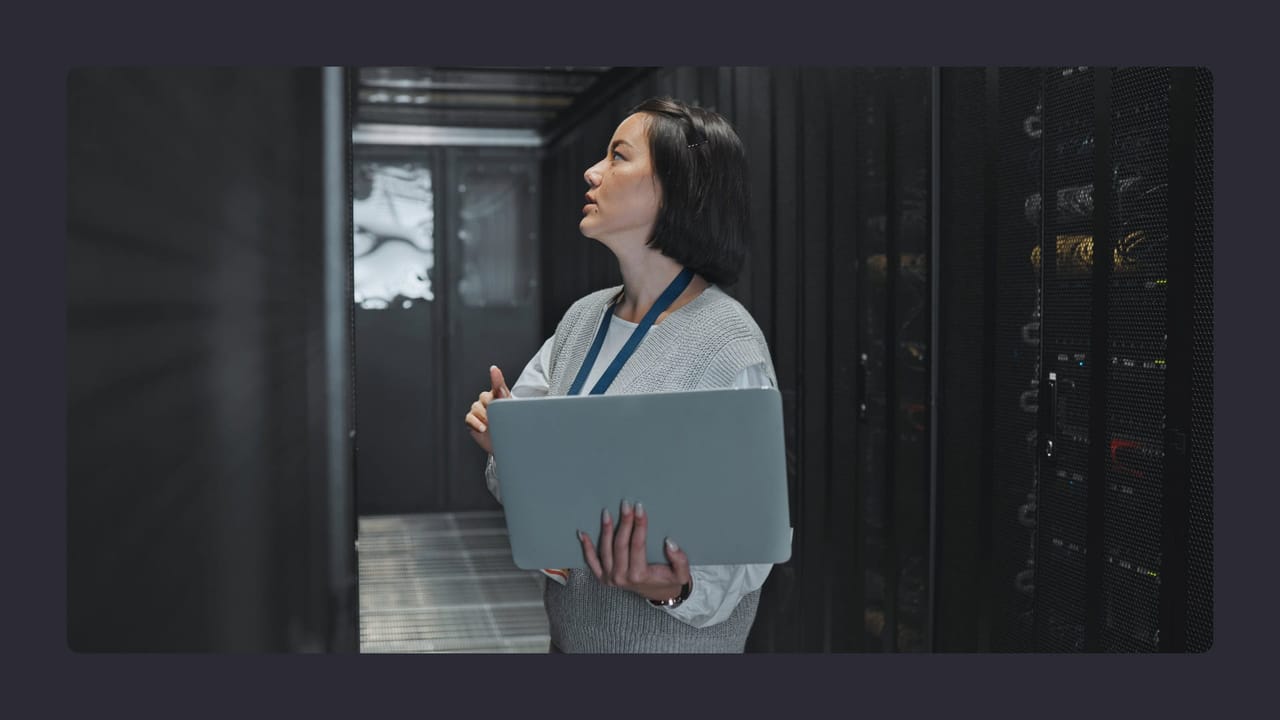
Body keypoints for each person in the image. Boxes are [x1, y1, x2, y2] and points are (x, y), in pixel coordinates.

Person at [463, 97, 778, 653]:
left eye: (617, 156)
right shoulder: (581, 320)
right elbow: (542, 503)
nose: (592, 172)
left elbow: (749, 548)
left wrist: (671, 589)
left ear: (676, 187)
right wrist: (507, 444)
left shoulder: (729, 345)